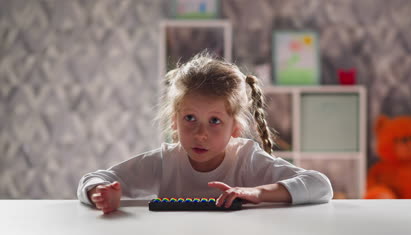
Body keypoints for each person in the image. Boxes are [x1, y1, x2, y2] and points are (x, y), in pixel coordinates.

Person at [77, 52, 333, 214]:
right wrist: (100, 193)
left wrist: (257, 193)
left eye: (214, 121)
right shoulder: (166, 161)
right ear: (174, 121)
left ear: (235, 127)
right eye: (190, 118)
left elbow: (320, 185)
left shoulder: (246, 159)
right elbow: (95, 178)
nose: (200, 134)